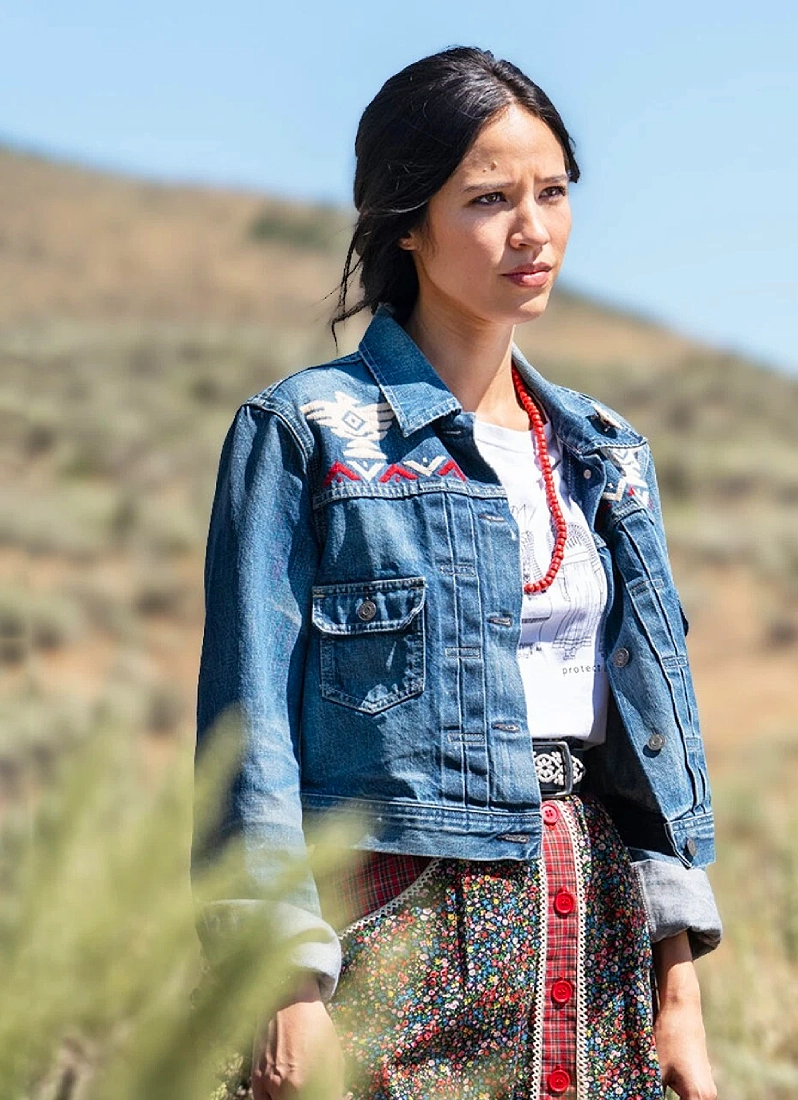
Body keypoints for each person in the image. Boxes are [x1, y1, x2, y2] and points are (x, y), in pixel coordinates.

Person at [192, 46, 722, 1100]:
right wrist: (280, 979)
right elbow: (247, 727)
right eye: (488, 199)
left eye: (552, 192)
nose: (532, 230)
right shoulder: (307, 432)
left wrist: (680, 987)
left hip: (594, 923)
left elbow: (648, 751)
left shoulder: (605, 451)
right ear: (405, 218)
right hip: (394, 917)